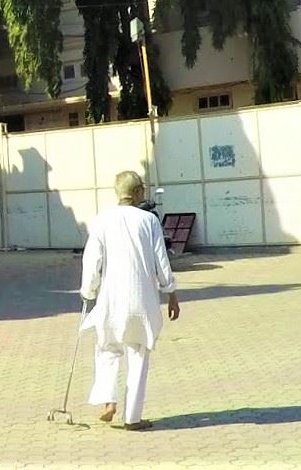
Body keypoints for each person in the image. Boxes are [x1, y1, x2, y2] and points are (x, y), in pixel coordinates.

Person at [80, 170, 180, 430]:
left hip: (111, 300)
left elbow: (92, 260)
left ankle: (108, 400)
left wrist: (88, 291)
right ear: (137, 192)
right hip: (142, 300)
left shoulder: (102, 220)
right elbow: (162, 260)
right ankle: (132, 418)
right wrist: (171, 293)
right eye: (142, 189)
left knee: (106, 349)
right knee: (138, 354)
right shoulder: (149, 221)